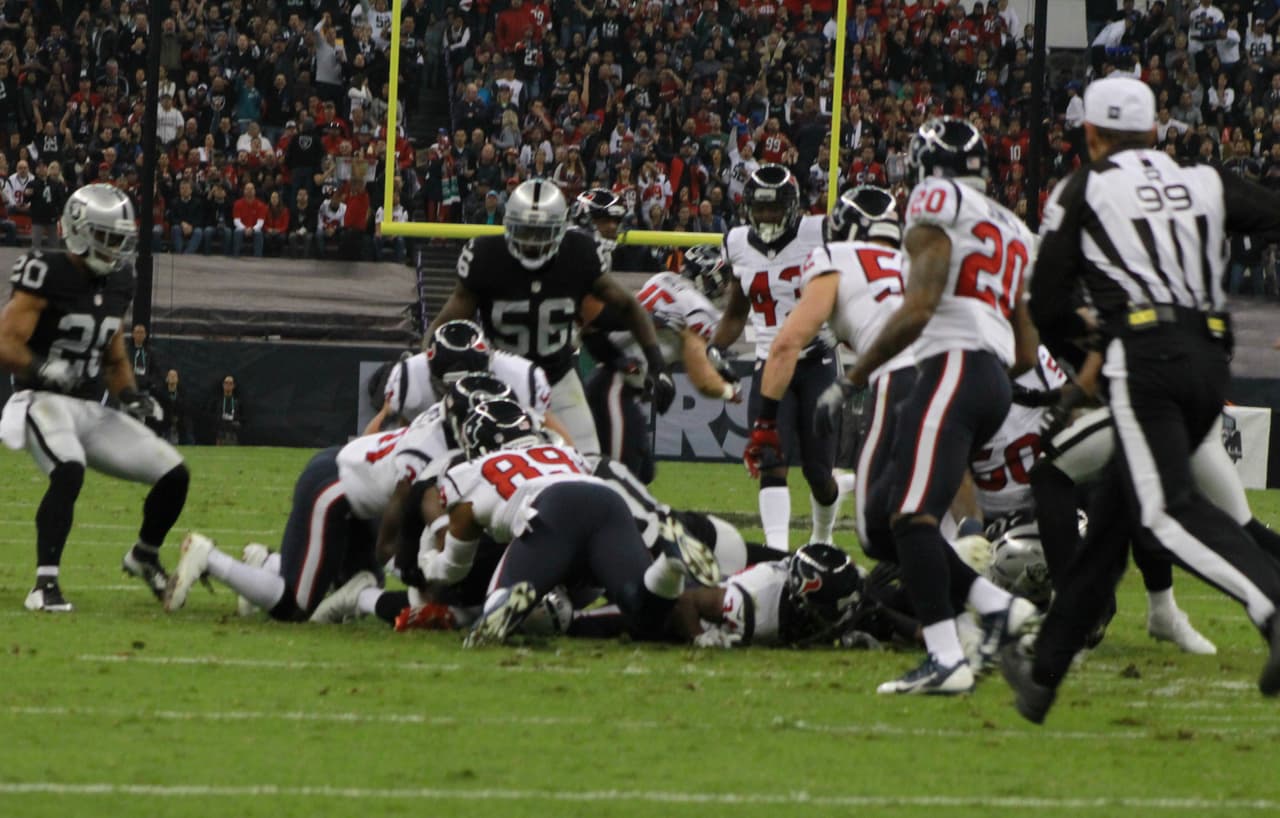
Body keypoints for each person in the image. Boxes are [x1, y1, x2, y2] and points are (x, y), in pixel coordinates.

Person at [1003, 76, 1280, 722]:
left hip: (1144, 358)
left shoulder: (1083, 188)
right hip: (1210, 360)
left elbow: (1047, 304)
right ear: (1155, 132)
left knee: (1162, 511)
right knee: (1113, 519)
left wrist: (1088, 353)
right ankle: (1043, 673)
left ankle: (1272, 607)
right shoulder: (1204, 179)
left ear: (1091, 135)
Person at [841, 118, 1041, 695]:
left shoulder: (936, 200)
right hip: (989, 375)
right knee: (888, 519)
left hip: (954, 362)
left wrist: (856, 373)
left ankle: (947, 658)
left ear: (926, 168)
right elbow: (1027, 351)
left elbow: (920, 306)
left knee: (911, 515)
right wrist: (984, 379)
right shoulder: (1014, 226)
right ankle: (996, 607)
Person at [0, 184, 190, 611]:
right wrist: (41, 367)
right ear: (79, 231)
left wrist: (132, 396)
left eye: (120, 238)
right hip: (40, 399)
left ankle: (144, 555)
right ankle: (44, 585)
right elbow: (5, 342)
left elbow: (114, 355)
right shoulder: (44, 270)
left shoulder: (120, 280)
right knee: (69, 469)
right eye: (107, 237)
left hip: (90, 407)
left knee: (174, 474)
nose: (116, 248)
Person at [429, 179, 672, 464]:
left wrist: (657, 363)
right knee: (490, 468)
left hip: (558, 380)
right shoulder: (486, 256)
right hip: (498, 385)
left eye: (541, 232)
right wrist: (419, 365)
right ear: (508, 225)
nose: (533, 241)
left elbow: (629, 306)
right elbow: (444, 325)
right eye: (525, 230)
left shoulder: (579, 252)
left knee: (589, 466)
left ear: (561, 228)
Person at [427, 399, 698, 647]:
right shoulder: (565, 453)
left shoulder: (466, 474)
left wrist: (430, 563)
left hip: (551, 508)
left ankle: (504, 601)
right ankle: (669, 565)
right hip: (607, 499)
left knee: (500, 600)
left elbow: (455, 568)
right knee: (644, 612)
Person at [749, 186, 914, 566]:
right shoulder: (914, 260)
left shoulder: (832, 255)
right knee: (935, 491)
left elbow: (787, 343)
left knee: (875, 527)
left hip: (895, 379)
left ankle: (921, 583)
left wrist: (765, 421)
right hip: (959, 369)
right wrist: (849, 383)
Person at [711, 164, 841, 551]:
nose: (767, 215)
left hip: (816, 361)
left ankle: (822, 538)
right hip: (769, 365)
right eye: (760, 208)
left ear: (792, 206)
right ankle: (777, 554)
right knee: (770, 459)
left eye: (774, 208)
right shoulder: (737, 243)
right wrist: (715, 348)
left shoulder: (818, 233)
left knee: (819, 473)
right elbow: (736, 313)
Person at [583, 243, 738, 484]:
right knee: (620, 481)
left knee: (643, 473)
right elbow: (704, 381)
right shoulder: (700, 309)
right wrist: (730, 390)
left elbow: (662, 339)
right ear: (710, 277)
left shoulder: (663, 279)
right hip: (616, 386)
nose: (727, 286)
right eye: (724, 277)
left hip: (612, 379)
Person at [156, 368, 193, 446]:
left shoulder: (182, 393)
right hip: (165, 425)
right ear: (167, 379)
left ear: (177, 379)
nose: (172, 377)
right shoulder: (160, 393)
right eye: (170, 375)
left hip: (180, 425)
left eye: (174, 376)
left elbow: (186, 407)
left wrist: (178, 417)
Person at [231, 182, 268, 258]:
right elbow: (236, 221)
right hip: (242, 228)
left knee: (259, 233)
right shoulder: (237, 203)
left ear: (255, 191)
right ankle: (236, 255)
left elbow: (260, 222)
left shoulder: (261, 205)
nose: (249, 191)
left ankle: (258, 256)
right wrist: (245, 229)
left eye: (251, 189)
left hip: (254, 229)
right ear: (244, 191)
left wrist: (252, 229)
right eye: (247, 189)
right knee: (237, 232)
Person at [213, 375, 244, 445]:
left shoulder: (237, 402)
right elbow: (212, 416)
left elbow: (242, 418)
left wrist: (237, 423)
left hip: (233, 435)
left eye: (230, 383)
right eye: (226, 383)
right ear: (223, 385)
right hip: (220, 435)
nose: (228, 385)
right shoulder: (217, 401)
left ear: (233, 386)